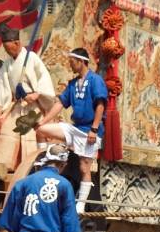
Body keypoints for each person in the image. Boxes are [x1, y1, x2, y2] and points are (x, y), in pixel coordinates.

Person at [36, 48, 108, 214]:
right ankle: (40, 162)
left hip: (90, 130)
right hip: (75, 128)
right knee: (41, 130)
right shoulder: (73, 84)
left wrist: (94, 129)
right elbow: (60, 103)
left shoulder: (95, 80)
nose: (70, 65)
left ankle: (81, 204)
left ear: (82, 61)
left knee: (84, 168)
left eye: (72, 62)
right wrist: (42, 121)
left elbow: (100, 105)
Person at [0, 26, 56, 172]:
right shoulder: (7, 63)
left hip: (32, 106)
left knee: (29, 135)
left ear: (17, 43)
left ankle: (33, 167)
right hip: (17, 104)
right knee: (6, 132)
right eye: (5, 48)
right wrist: (3, 106)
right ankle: (7, 167)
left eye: (8, 48)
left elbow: (44, 79)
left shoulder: (32, 58)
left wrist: (37, 94)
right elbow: (2, 85)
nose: (7, 51)